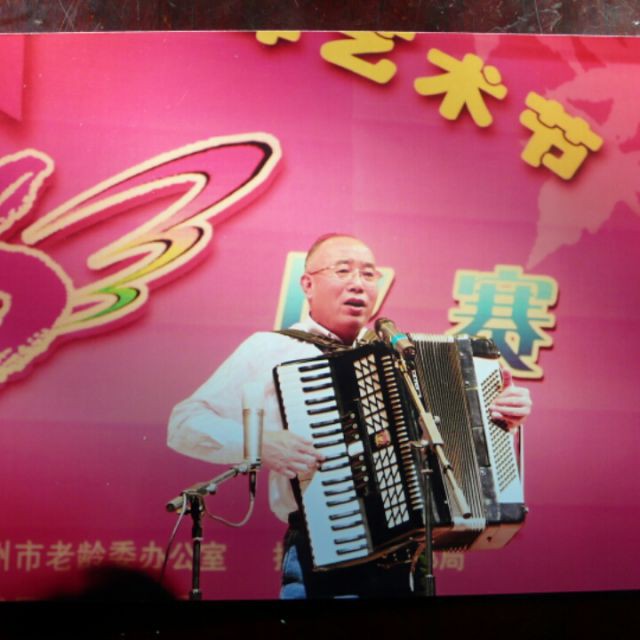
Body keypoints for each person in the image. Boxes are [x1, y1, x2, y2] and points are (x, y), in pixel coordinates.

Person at [167, 233, 532, 598]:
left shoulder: (399, 354)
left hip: (411, 558)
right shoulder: (271, 348)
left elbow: (446, 443)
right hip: (324, 552)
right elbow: (184, 423)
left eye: (369, 274)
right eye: (342, 271)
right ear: (307, 284)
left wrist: (500, 421)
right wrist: (259, 443)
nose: (358, 283)